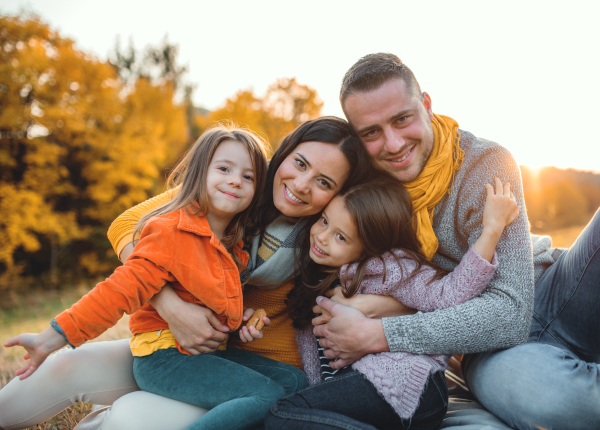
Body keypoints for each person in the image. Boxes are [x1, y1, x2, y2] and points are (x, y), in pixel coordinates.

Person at [0, 117, 400, 430]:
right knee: (65, 365)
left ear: (339, 195)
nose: (301, 184)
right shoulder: (233, 190)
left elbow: (399, 285)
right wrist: (169, 303)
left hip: (244, 363)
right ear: (285, 153)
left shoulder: (327, 239)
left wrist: (381, 307)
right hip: (175, 344)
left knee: (130, 417)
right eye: (299, 163)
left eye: (324, 182)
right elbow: (129, 224)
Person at [312, 53, 600, 430]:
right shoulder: (360, 195)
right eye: (372, 132)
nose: (394, 143)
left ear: (427, 106)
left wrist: (383, 329)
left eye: (402, 119)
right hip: (483, 349)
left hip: (554, 288)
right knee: (553, 402)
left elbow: (509, 311)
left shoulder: (485, 162)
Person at [264, 171, 520, 430]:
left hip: (408, 386)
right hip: (368, 392)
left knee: (282, 414)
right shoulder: (315, 273)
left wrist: (491, 230)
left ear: (369, 247)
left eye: (341, 237)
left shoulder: (390, 268)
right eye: (324, 221)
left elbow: (450, 295)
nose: (321, 236)